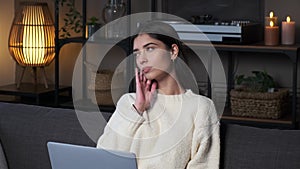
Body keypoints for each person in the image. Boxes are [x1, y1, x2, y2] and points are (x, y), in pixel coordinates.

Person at [97, 21, 220, 169]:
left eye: (150, 48)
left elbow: (204, 165)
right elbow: (103, 157)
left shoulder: (200, 107)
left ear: (173, 51)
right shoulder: (129, 102)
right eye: (137, 53)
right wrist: (138, 109)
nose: (142, 59)